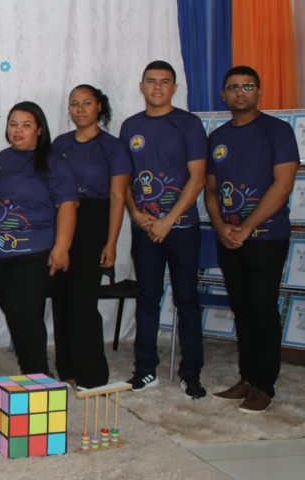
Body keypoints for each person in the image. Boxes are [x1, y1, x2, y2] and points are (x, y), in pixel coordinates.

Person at [204, 66, 297, 414]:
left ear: (259, 92)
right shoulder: (217, 137)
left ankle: (264, 385)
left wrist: (246, 227)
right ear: (223, 95)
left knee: (262, 308)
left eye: (247, 86)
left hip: (267, 238)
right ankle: (248, 376)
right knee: (242, 309)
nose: (240, 92)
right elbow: (210, 190)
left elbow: (283, 186)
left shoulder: (278, 130)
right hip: (229, 238)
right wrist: (220, 226)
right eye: (233, 87)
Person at [119, 60, 208, 398]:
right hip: (144, 229)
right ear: (141, 86)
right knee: (147, 298)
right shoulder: (130, 126)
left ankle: (191, 373)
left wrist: (168, 220)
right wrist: (135, 213)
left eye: (164, 81)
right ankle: (145, 370)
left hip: (181, 229)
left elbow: (198, 177)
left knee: (187, 299)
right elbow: (124, 179)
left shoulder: (188, 124)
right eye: (151, 81)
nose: (157, 87)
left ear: (174, 88)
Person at [0, 102, 78, 376]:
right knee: (16, 315)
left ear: (39, 130)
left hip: (35, 251)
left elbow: (68, 206)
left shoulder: (53, 161)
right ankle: (32, 373)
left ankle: (39, 376)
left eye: (26, 125)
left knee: (22, 312)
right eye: (13, 124)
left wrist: (62, 247)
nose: (18, 130)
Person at [50, 85, 132, 390]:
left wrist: (111, 242)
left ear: (99, 107)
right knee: (61, 299)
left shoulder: (112, 147)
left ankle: (92, 376)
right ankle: (67, 370)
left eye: (86, 103)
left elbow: (118, 196)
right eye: (74, 104)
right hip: (61, 222)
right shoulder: (59, 143)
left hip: (93, 222)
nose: (80, 109)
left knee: (82, 302)